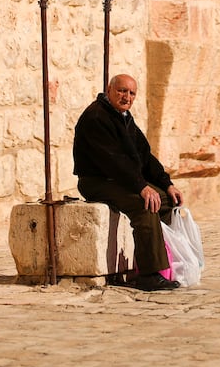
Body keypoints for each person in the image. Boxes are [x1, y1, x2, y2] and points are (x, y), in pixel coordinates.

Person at [72, 73, 184, 292]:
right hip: (97, 182)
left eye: (132, 93)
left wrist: (167, 183)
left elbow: (144, 156)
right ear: (109, 90)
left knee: (166, 200)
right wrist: (141, 187)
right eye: (122, 91)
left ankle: (152, 262)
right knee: (146, 207)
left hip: (118, 179)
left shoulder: (123, 117)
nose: (127, 97)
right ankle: (150, 274)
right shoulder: (97, 117)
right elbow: (113, 161)